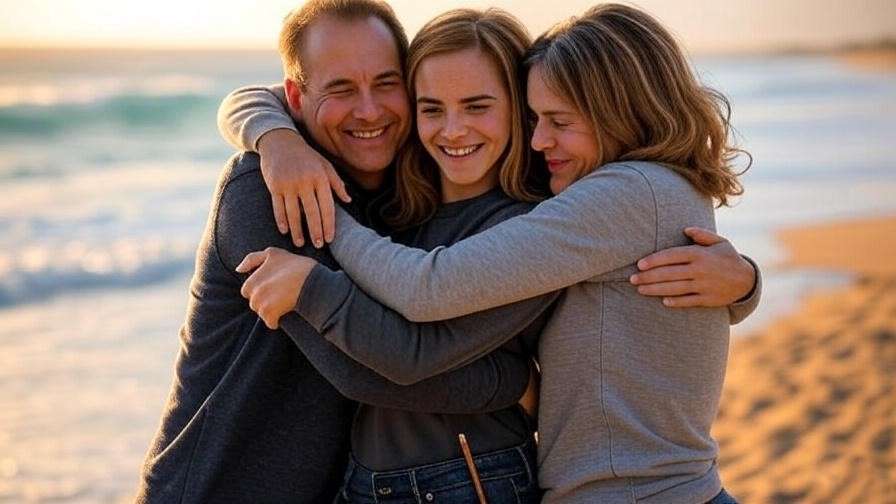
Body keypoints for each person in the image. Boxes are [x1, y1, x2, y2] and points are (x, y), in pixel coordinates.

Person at [234, 4, 755, 503]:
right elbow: (272, 95)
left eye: (559, 121)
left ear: (620, 111)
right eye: (537, 118)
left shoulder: (624, 193)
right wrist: (278, 138)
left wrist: (322, 217)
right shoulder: (609, 195)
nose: (540, 139)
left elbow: (426, 290)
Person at [136, 1, 545, 501]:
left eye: (386, 83)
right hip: (215, 488)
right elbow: (369, 371)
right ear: (296, 97)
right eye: (341, 89)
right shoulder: (268, 190)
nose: (369, 110)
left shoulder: (405, 188)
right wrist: (512, 380)